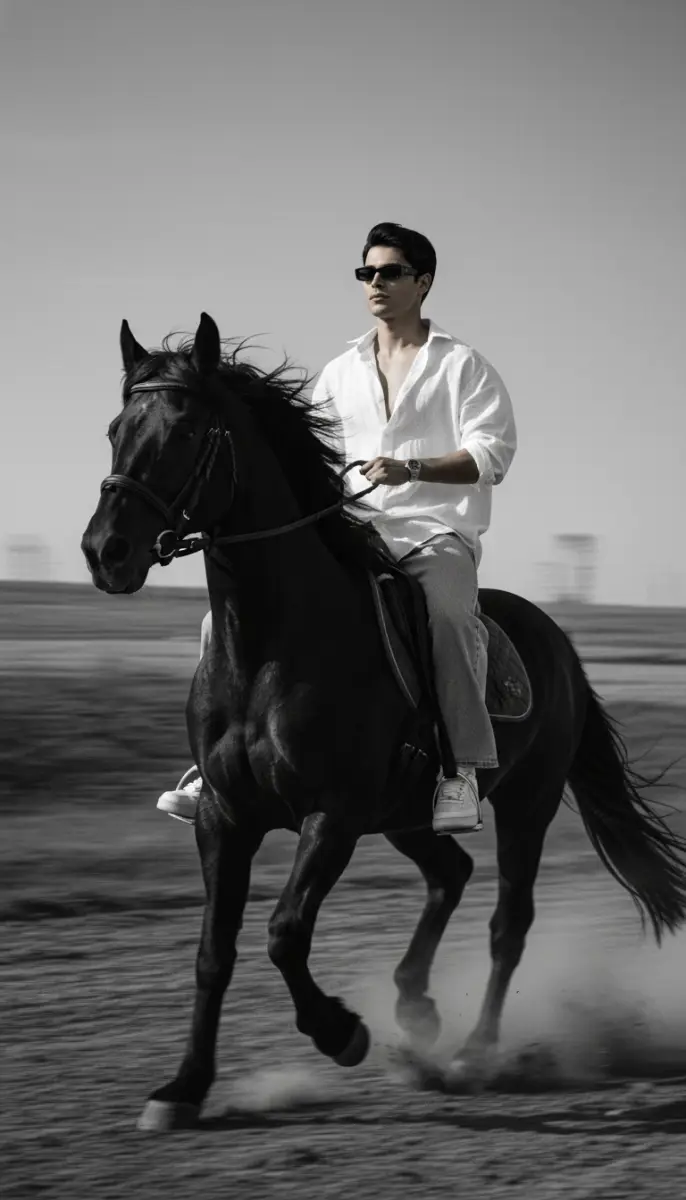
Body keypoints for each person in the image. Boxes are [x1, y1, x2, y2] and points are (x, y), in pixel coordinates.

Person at [157, 222, 516, 834]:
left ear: (423, 282)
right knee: (223, 618)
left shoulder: (463, 366)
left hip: (433, 532)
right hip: (349, 529)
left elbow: (491, 455)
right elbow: (308, 458)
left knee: (452, 617)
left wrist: (412, 467)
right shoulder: (339, 370)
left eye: (390, 271)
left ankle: (460, 771)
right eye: (367, 272)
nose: (375, 282)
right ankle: (212, 767)